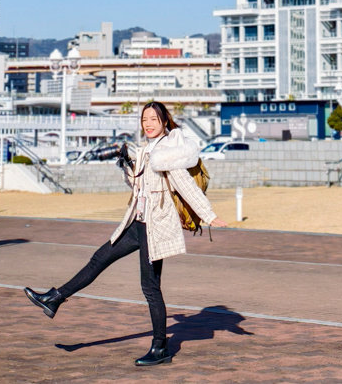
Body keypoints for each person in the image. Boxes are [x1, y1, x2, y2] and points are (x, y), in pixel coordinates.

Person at [24, 100, 226, 366]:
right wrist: (126, 166)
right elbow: (137, 186)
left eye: (154, 119)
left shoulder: (167, 152)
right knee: (99, 258)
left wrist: (208, 214)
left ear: (165, 121)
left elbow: (185, 184)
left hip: (154, 227)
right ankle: (54, 298)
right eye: (144, 120)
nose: (148, 124)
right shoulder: (146, 149)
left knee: (151, 288)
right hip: (136, 223)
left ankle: (160, 348)